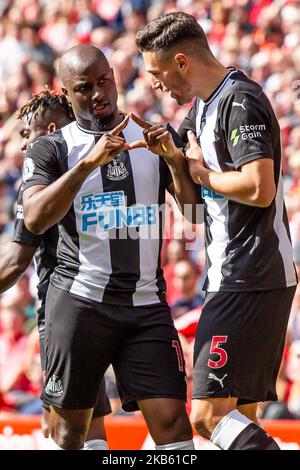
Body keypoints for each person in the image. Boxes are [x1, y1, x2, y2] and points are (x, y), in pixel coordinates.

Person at [22, 44, 199, 450]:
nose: (99, 93)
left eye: (104, 81)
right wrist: (86, 165)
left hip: (145, 303)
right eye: (85, 87)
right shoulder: (52, 148)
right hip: (80, 303)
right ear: (68, 93)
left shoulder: (152, 134)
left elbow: (194, 213)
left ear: (115, 78)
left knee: (174, 426)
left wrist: (173, 161)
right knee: (72, 433)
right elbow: (34, 217)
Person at [135, 11, 297, 450]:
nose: (156, 84)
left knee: (207, 416)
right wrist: (174, 159)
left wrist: (202, 174)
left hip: (250, 273)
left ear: (182, 61)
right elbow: (190, 210)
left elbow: (260, 188)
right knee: (239, 418)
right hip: (236, 274)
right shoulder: (199, 112)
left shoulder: (241, 99)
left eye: (158, 72)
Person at [0, 89, 111, 450]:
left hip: (64, 311)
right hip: (110, 304)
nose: (23, 147)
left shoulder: (41, 187)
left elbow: (16, 261)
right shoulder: (101, 170)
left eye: (26, 135)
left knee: (61, 430)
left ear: (48, 130)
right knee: (91, 428)